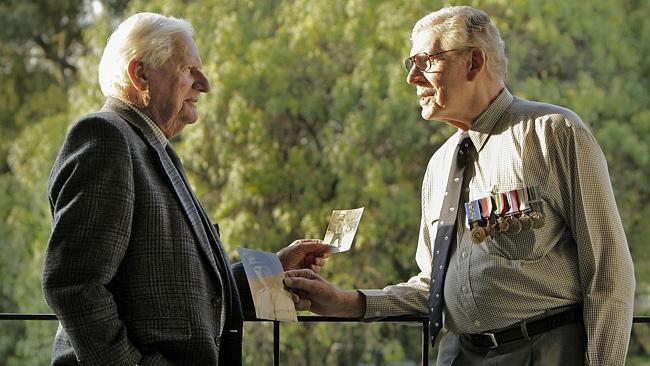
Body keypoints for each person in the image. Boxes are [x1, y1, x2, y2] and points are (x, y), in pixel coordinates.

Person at [284, 5, 635, 366]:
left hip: (544, 351)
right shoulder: (439, 166)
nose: (413, 78)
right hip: (460, 353)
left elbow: (609, 271)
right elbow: (432, 289)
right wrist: (347, 302)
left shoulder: (551, 133)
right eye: (412, 64)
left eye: (426, 61)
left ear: (474, 62)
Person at [41, 12, 330, 366]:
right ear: (140, 74)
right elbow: (73, 285)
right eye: (187, 70)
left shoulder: (153, 148)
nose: (205, 84)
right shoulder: (107, 137)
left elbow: (188, 292)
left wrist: (272, 273)